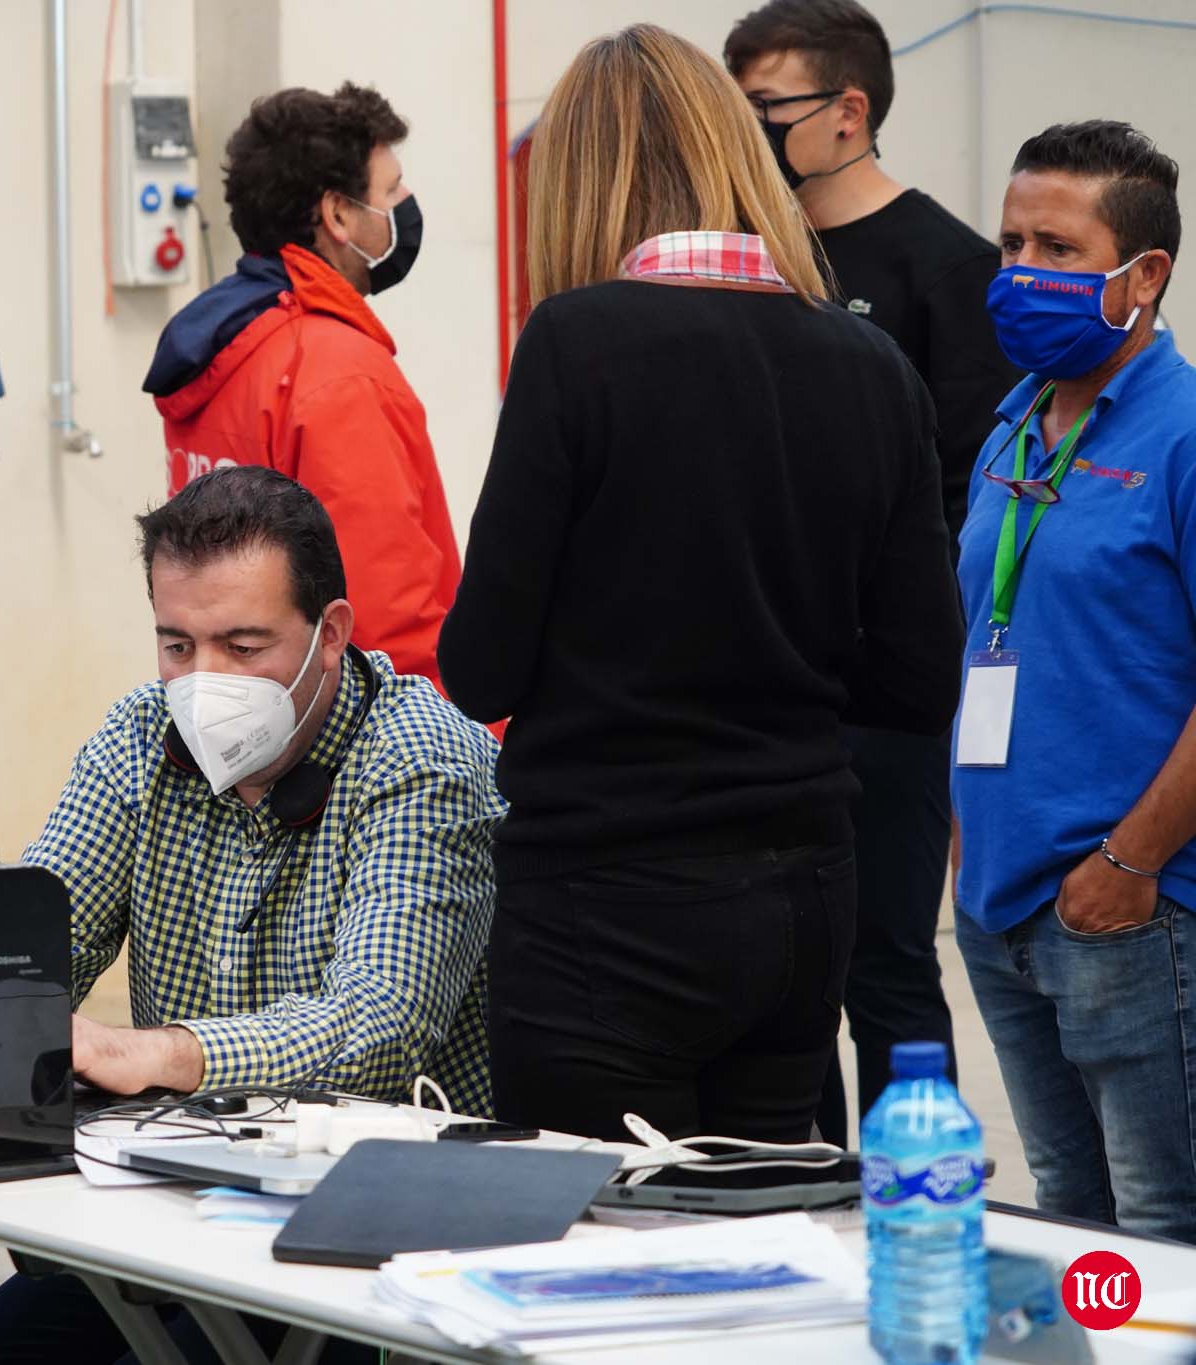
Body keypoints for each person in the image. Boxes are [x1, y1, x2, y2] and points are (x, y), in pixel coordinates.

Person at [438, 24, 962, 1146]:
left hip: (603, 895)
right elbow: (920, 681)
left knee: (598, 1275)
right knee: (762, 1254)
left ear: (576, 181)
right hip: (800, 896)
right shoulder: (869, 364)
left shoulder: (575, 344)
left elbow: (480, 660)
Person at [0, 466, 500, 1363]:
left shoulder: (424, 759)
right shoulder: (138, 734)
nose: (203, 682)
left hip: (376, 1237)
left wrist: (148, 1050)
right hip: (174, 1205)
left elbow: (380, 1027)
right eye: (177, 645)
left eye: (244, 644)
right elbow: (32, 947)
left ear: (331, 634)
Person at [725, 0, 1019, 1148]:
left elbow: (962, 500)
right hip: (759, 687)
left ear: (847, 113)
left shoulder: (947, 270)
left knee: (883, 967)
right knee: (777, 976)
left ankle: (910, 1201)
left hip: (880, 702)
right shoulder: (751, 261)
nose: (748, 137)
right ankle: (795, 1193)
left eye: (766, 113)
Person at [952, 121, 1196, 1245]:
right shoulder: (1010, 424)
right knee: (1065, 1229)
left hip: (1124, 910)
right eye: (1008, 242)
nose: (1018, 272)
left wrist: (1125, 863)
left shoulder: (1183, 434)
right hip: (1001, 899)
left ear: (1140, 275)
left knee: (1156, 1237)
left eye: (1054, 247)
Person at [142, 83, 463, 693]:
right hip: (350, 752)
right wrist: (451, 749)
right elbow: (385, 619)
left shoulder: (223, 349)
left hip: (232, 723)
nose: (405, 203)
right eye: (390, 189)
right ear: (338, 214)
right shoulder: (339, 372)